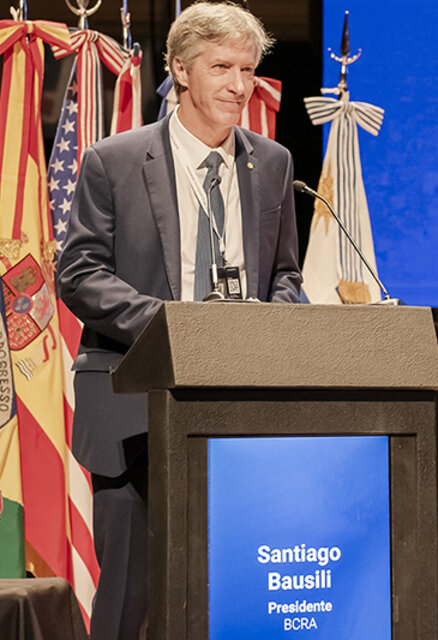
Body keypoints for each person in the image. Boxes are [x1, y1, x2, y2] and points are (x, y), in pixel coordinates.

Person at [57, 3, 302, 638]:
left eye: (247, 69)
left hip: (239, 404)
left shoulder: (272, 164)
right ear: (180, 71)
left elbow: (284, 275)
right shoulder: (114, 160)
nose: (238, 85)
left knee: (227, 592)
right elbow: (79, 272)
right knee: (128, 601)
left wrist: (275, 324)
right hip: (132, 406)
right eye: (221, 66)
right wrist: (173, 328)